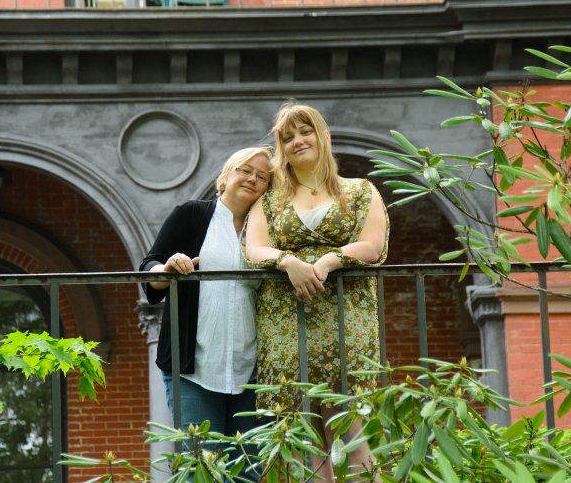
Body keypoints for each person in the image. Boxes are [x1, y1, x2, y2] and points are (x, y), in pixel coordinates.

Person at [244, 102, 388, 479]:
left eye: (305, 132)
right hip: (286, 320)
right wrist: (288, 261)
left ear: (324, 136)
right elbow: (254, 248)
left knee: (347, 424)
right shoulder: (270, 201)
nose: (297, 142)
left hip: (345, 316)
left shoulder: (359, 191)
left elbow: (373, 246)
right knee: (303, 430)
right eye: (287, 138)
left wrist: (328, 261)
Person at [140, 146, 272, 441]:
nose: (252, 179)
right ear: (226, 176)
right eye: (245, 171)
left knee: (247, 470)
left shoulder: (266, 230)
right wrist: (168, 268)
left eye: (262, 176)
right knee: (202, 466)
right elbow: (150, 268)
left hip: (250, 371)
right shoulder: (192, 215)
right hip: (194, 369)